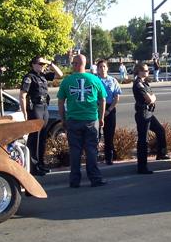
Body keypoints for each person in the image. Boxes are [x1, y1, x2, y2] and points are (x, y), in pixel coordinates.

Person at [57, 54, 107, 188]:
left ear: (78, 64)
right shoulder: (95, 80)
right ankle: (95, 179)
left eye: (73, 63)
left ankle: (74, 181)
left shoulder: (67, 81)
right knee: (91, 150)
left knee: (75, 151)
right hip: (91, 120)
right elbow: (103, 99)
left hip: (73, 121)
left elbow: (61, 102)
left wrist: (63, 119)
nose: (72, 65)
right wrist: (101, 118)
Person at [20, 56, 63, 176]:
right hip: (35, 109)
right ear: (33, 64)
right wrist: (24, 113)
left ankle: (41, 164)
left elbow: (60, 74)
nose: (42, 66)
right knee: (35, 139)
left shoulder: (43, 76)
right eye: (40, 64)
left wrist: (50, 63)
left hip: (44, 108)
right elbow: (22, 95)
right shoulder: (29, 77)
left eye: (43, 64)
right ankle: (33, 167)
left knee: (43, 138)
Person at [132, 62, 170, 174]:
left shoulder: (145, 83)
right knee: (143, 141)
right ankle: (142, 167)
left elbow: (151, 97)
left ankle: (161, 154)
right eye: (145, 70)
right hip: (143, 113)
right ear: (139, 71)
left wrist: (152, 98)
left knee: (160, 130)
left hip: (149, 113)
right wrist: (153, 98)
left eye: (148, 70)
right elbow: (149, 99)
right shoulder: (138, 83)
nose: (147, 72)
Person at [97, 59, 122, 165]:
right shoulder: (95, 80)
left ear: (107, 68)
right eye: (100, 67)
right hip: (97, 109)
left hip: (110, 109)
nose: (102, 69)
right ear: (97, 69)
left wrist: (108, 110)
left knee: (109, 135)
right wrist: (100, 110)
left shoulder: (113, 80)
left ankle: (109, 157)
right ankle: (95, 157)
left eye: (104, 66)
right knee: (95, 135)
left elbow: (117, 97)